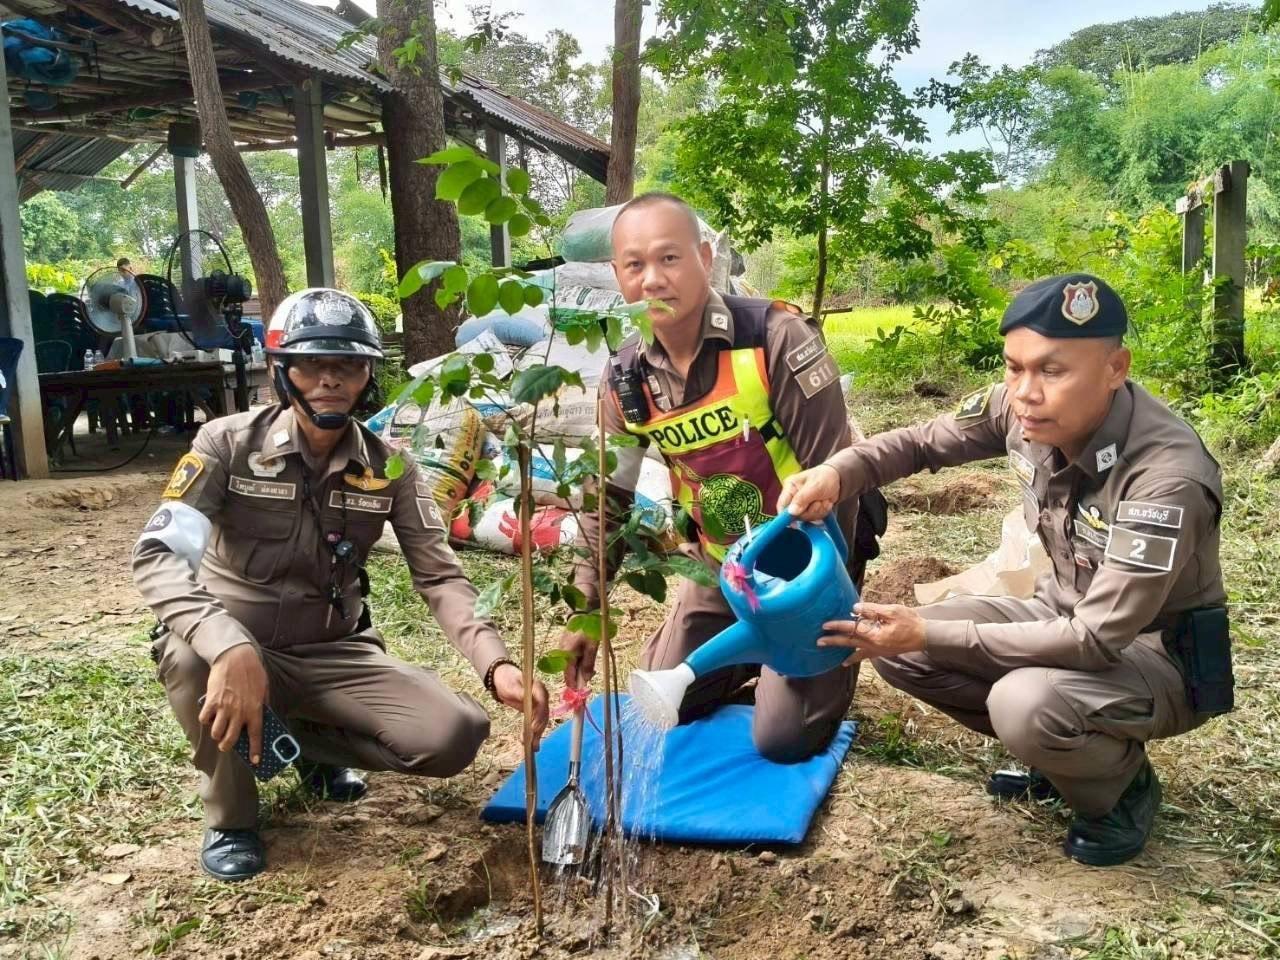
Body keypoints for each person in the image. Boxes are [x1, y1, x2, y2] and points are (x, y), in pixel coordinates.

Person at [780, 274, 1232, 865]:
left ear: (1115, 367)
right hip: (1057, 612)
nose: (1025, 392)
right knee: (902, 651)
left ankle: (1119, 788)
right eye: (1014, 367)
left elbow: (1096, 638)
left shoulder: (1165, 477)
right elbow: (919, 442)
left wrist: (927, 628)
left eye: (1052, 370)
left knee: (1021, 702)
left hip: (1156, 655)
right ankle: (1060, 752)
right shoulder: (1018, 408)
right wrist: (840, 473)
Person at [133, 288, 549, 882]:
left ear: (367, 377)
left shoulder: (391, 467)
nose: (331, 379)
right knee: (191, 659)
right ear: (283, 372)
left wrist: (496, 663)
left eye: (348, 365)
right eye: (312, 363)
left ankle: (302, 745)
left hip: (335, 650)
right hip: (234, 643)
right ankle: (231, 820)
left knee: (455, 733)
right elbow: (158, 555)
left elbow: (438, 573)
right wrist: (223, 640)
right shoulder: (225, 444)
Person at [561, 192, 885, 762]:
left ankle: (801, 666)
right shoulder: (624, 379)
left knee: (782, 740)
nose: (653, 280)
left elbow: (838, 480)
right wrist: (587, 607)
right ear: (617, 275)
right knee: (665, 703)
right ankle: (749, 654)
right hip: (721, 563)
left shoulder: (775, 338)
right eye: (634, 265)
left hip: (807, 562)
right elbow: (604, 502)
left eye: (670, 258)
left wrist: (812, 608)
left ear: (705, 260)